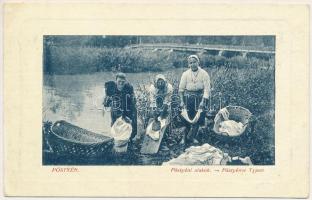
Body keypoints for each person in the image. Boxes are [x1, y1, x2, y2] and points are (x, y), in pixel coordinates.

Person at [178, 55, 211, 145]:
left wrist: (203, 102)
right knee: (186, 117)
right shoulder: (185, 74)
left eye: (194, 62)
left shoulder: (204, 74)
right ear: (189, 64)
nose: (193, 64)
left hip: (200, 97)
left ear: (198, 62)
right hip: (188, 97)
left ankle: (192, 137)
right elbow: (181, 90)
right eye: (190, 63)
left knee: (198, 117)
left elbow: (207, 90)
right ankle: (184, 138)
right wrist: (181, 101)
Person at [103, 73, 138, 142]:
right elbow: (106, 103)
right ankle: (116, 139)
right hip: (116, 108)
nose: (121, 83)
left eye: (123, 82)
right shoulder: (111, 87)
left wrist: (133, 99)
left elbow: (133, 100)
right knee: (115, 125)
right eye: (119, 81)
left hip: (128, 107)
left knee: (131, 124)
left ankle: (130, 139)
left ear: (125, 81)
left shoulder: (129, 87)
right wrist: (109, 101)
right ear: (116, 81)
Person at [147, 74, 173, 151]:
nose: (161, 84)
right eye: (159, 82)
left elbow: (167, 101)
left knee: (165, 120)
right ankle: (150, 139)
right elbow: (152, 101)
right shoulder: (152, 89)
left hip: (165, 104)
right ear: (156, 83)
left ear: (165, 82)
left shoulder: (169, 88)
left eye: (162, 82)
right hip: (156, 102)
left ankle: (164, 141)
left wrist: (161, 115)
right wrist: (155, 113)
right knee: (152, 117)